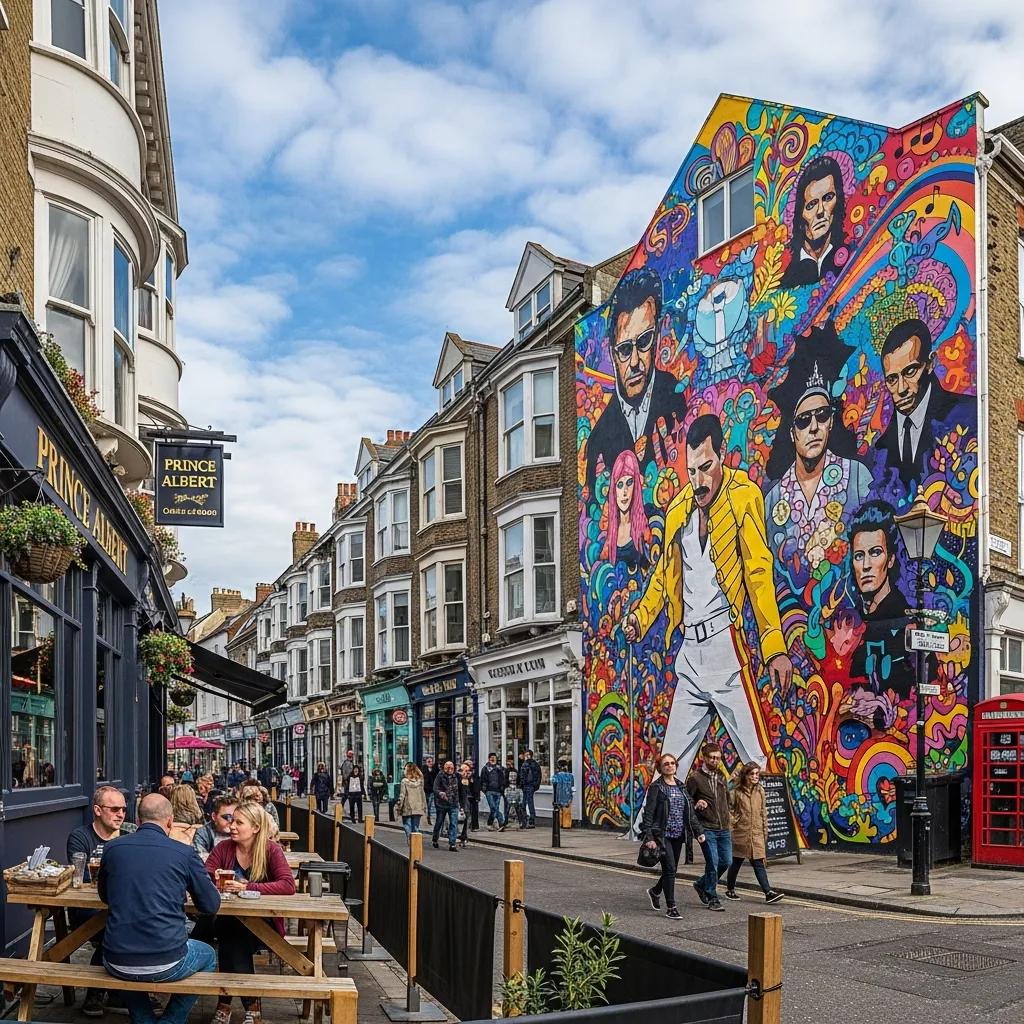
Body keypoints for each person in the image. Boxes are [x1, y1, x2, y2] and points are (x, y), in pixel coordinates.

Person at [624, 414, 794, 768]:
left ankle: (774, 810)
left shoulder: (743, 496)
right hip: (690, 653)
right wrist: (640, 617)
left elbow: (758, 572)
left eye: (706, 468)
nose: (698, 482)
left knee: (759, 761)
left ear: (722, 455)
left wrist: (774, 646)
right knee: (669, 767)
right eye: (691, 471)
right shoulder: (678, 510)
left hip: (724, 648)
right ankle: (653, 811)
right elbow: (664, 576)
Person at [98, 794, 220, 1024]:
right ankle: (170, 1021)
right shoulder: (184, 853)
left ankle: (143, 1019)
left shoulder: (112, 849)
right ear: (170, 821)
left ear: (138, 820)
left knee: (128, 966)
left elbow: (105, 896)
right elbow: (211, 905)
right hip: (168, 959)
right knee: (209, 956)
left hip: (115, 959)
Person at [584, 268, 687, 499]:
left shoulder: (679, 400)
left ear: (657, 336)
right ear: (612, 354)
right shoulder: (597, 441)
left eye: (644, 341)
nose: (634, 362)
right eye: (624, 350)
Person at [204, 803, 296, 1024]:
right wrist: (214, 878)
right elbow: (204, 874)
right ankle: (251, 1008)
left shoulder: (271, 850)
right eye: (231, 820)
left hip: (264, 924)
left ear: (255, 827)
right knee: (231, 931)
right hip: (230, 920)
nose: (231, 826)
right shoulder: (224, 848)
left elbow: (287, 885)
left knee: (231, 934)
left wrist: (247, 887)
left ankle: (225, 1004)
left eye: (238, 822)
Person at [875, 317, 973, 486]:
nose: (901, 388)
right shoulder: (879, 449)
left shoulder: (968, 415)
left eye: (910, 371)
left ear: (930, 363)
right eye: (892, 379)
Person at [67, 785, 128, 1017]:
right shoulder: (80, 837)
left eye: (123, 809)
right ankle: (102, 993)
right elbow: (81, 879)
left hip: (119, 907)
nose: (121, 814)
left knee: (131, 925)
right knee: (117, 927)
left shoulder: (129, 836)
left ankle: (118, 993)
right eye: (114, 809)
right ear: (97, 810)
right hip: (87, 909)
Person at [848, 501, 916, 698]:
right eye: (859, 556)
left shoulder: (905, 619)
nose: (866, 565)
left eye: (875, 552)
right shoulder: (851, 621)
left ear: (891, 559)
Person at [639, 754, 705, 919]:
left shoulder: (681, 786)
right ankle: (671, 907)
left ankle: (655, 891)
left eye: (672, 763)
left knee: (672, 870)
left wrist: (698, 832)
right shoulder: (656, 787)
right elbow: (648, 814)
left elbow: (689, 812)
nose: (670, 766)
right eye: (666, 764)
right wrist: (649, 838)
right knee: (669, 869)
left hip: (678, 835)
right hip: (662, 835)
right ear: (660, 768)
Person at [780, 154, 848, 287]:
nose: (820, 211)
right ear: (800, 215)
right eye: (811, 205)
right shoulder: (787, 280)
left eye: (828, 198)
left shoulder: (849, 256)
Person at [725, 763, 784, 904]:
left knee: (758, 863)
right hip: (741, 832)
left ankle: (768, 892)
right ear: (745, 775)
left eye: (757, 774)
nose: (755, 777)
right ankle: (730, 889)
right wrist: (734, 822)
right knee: (736, 862)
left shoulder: (760, 791)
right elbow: (728, 809)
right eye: (752, 774)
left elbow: (763, 812)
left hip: (756, 833)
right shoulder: (736, 792)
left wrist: (765, 830)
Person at [686, 743, 733, 913]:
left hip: (724, 827)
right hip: (707, 827)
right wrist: (696, 803)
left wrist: (730, 814)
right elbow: (687, 801)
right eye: (712, 757)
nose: (715, 760)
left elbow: (726, 798)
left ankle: (701, 884)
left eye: (718, 758)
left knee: (726, 861)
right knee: (712, 862)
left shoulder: (721, 776)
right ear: (704, 758)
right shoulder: (695, 778)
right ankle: (712, 897)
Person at [605, 449, 651, 571]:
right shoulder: (610, 536)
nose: (624, 492)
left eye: (629, 483)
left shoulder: (644, 529)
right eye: (620, 485)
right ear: (614, 491)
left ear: (636, 487)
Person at [431, 760, 460, 851]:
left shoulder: (457, 776)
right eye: (448, 767)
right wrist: (440, 793)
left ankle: (452, 844)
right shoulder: (440, 776)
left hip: (454, 803)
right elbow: (435, 788)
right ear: (444, 768)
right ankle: (435, 839)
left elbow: (461, 790)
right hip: (441, 804)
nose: (450, 769)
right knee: (439, 822)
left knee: (453, 823)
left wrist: (462, 804)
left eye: (451, 768)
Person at [396, 763, 428, 837]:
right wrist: (424, 806)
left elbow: (402, 795)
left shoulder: (404, 781)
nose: (404, 770)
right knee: (416, 828)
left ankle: (410, 842)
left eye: (405, 769)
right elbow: (422, 794)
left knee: (407, 826)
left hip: (407, 807)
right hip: (418, 807)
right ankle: (416, 842)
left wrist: (399, 807)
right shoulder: (420, 781)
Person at [479, 753, 506, 831]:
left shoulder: (500, 768)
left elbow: (503, 779)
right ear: (489, 759)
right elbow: (482, 780)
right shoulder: (485, 769)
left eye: (494, 758)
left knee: (495, 808)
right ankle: (501, 823)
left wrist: (502, 788)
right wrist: (484, 789)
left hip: (498, 791)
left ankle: (490, 824)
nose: (493, 759)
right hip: (489, 791)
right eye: (491, 758)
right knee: (494, 807)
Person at [519, 749, 541, 828]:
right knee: (526, 803)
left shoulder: (528, 764)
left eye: (527, 755)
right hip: (528, 786)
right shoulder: (533, 764)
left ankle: (528, 821)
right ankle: (527, 821)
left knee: (527, 803)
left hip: (528, 785)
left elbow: (523, 776)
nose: (526, 756)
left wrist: (522, 784)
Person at [457, 761, 474, 848]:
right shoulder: (457, 780)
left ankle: (463, 838)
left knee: (466, 820)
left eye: (468, 771)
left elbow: (474, 790)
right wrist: (461, 806)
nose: (466, 772)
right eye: (464, 770)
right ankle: (457, 838)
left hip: (468, 802)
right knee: (460, 821)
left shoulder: (471, 780)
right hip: (460, 803)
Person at [421, 756, 438, 824]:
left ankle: (430, 818)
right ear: (426, 762)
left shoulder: (435, 769)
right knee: (426, 805)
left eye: (431, 761)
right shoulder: (423, 769)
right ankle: (426, 818)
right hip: (425, 790)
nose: (430, 763)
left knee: (431, 805)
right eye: (429, 762)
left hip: (432, 790)